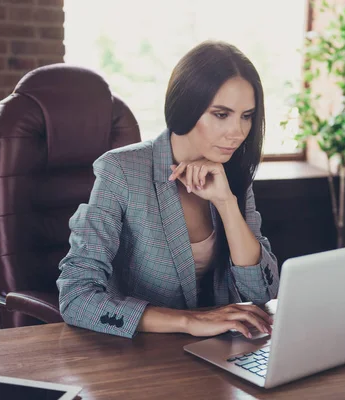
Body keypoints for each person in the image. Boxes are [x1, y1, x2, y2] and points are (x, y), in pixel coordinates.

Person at [57, 40, 279, 339]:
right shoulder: (121, 171)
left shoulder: (232, 174)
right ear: (187, 107)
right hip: (138, 354)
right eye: (221, 114)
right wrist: (188, 321)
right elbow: (76, 297)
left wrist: (226, 204)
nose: (237, 132)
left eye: (247, 116)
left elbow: (263, 291)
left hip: (223, 350)